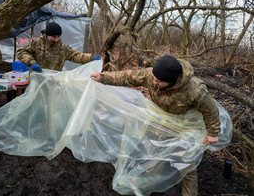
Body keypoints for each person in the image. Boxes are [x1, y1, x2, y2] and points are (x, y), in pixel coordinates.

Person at [90, 54, 220, 196]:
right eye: (153, 78)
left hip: (184, 129)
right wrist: (102, 77)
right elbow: (127, 77)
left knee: (187, 165)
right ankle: (150, 181)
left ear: (171, 81)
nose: (153, 82)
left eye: (158, 81)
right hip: (159, 122)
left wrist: (213, 133)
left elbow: (211, 111)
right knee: (152, 151)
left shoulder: (195, 90)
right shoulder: (151, 75)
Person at [17, 22, 101, 72]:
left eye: (58, 37)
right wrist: (32, 63)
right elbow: (21, 52)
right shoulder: (35, 43)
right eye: (54, 37)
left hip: (54, 82)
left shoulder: (63, 48)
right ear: (47, 35)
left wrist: (90, 58)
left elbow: (76, 56)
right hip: (36, 80)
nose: (57, 39)